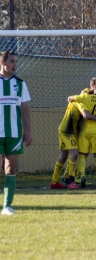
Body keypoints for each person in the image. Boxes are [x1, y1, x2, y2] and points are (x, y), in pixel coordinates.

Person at [0, 50, 32, 215]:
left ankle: (7, 206)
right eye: (11, 61)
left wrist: (28, 131)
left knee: (11, 169)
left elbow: (24, 108)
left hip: (14, 134)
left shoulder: (20, 84)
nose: (14, 65)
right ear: (2, 62)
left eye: (16, 62)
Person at [50, 89, 96, 189]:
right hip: (67, 131)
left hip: (64, 129)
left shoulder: (75, 100)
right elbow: (86, 115)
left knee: (63, 156)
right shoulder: (81, 103)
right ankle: (71, 182)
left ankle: (54, 182)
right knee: (74, 154)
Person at [68, 78, 96, 188]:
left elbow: (70, 98)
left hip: (84, 130)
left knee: (83, 154)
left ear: (93, 86)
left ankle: (82, 176)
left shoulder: (86, 97)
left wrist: (81, 95)